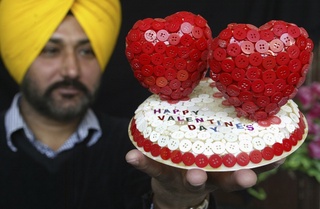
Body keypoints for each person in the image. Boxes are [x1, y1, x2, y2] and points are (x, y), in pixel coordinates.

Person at [0, 0, 283, 208]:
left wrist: (177, 200)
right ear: (17, 54)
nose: (72, 70)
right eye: (51, 50)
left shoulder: (146, 144)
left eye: (86, 51)